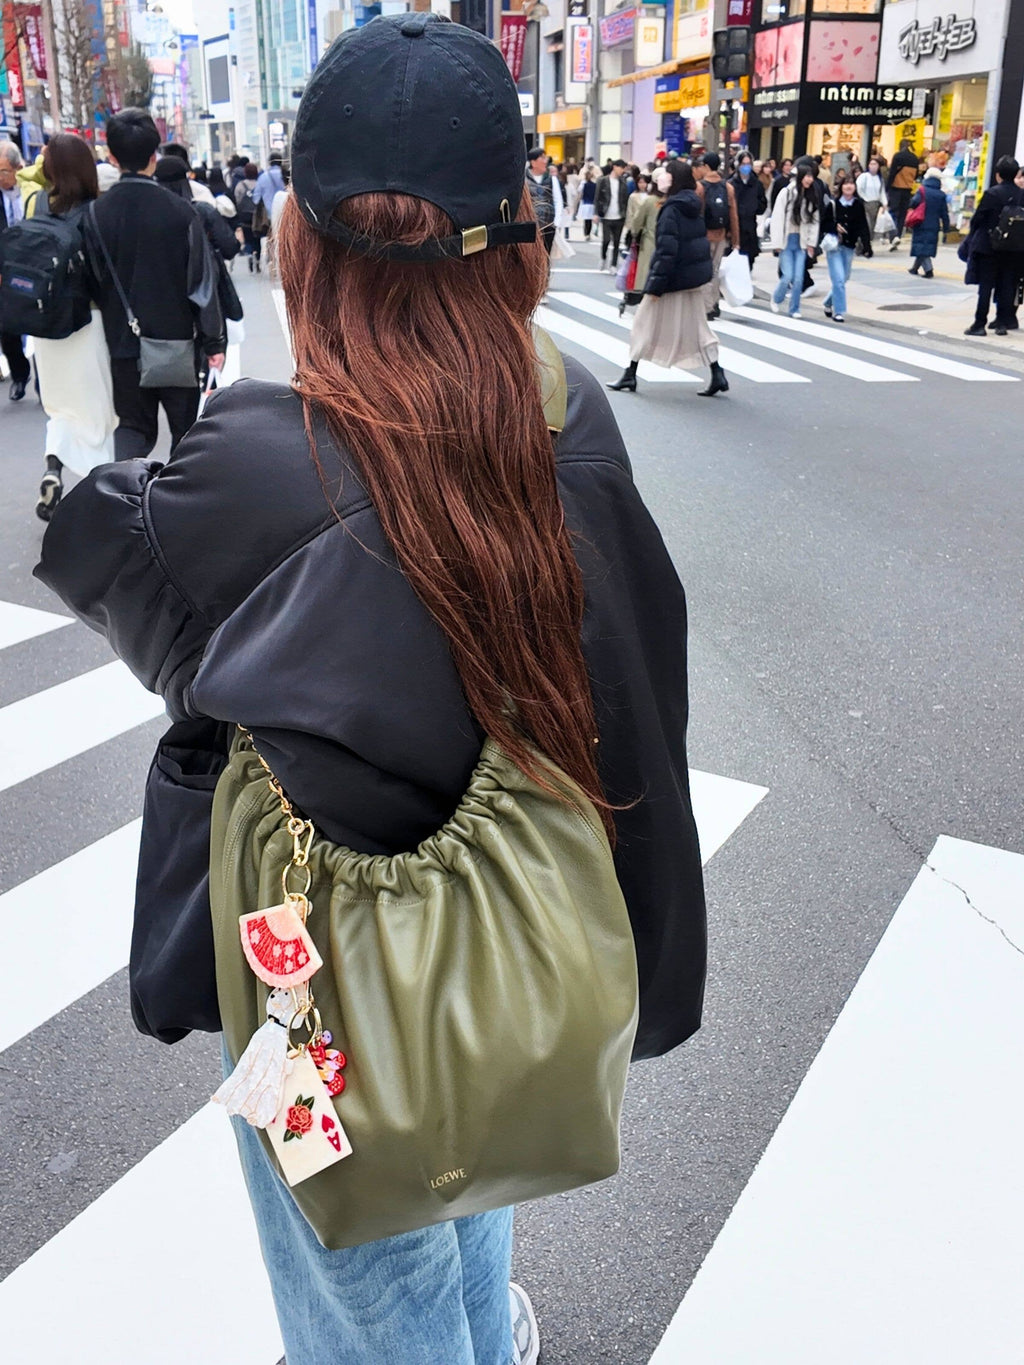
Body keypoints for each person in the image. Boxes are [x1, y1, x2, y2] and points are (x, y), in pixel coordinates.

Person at [35, 16, 706, 1365]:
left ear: (302, 239)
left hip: (310, 986)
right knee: (460, 1162)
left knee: (351, 1287)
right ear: (517, 232)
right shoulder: (569, 412)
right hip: (508, 946)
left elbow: (93, 545)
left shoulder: (261, 468)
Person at [84, 108, 225, 459]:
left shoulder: (94, 215)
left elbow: (93, 280)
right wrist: (213, 341)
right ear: (154, 155)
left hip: (123, 345)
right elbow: (201, 284)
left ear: (112, 157)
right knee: (186, 434)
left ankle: (126, 504)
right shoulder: (181, 212)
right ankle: (179, 507)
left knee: (132, 430)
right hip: (177, 344)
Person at [27, 133, 117, 521]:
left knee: (60, 408)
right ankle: (100, 492)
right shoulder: (95, 212)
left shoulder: (36, 204)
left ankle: (53, 469)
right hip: (87, 324)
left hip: (45, 327)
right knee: (98, 412)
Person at [608, 160, 727, 398]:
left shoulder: (672, 208)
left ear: (675, 180)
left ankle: (630, 373)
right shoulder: (691, 204)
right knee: (697, 328)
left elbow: (666, 250)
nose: (660, 179)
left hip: (671, 281)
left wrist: (655, 285)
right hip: (689, 280)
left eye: (666, 175)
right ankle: (717, 372)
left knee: (643, 323)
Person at [964, 155, 1024, 337]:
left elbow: (978, 220)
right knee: (1006, 285)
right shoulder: (1022, 195)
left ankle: (979, 324)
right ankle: (1001, 324)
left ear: (998, 175)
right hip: (1013, 248)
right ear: (1015, 174)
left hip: (989, 247)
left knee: (986, 286)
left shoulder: (992, 194)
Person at [0, 140, 32, 400]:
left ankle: (47, 385)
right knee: (7, 327)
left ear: (18, 167)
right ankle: (20, 375)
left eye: (3, 171)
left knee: (44, 324)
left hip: (37, 266)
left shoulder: (34, 189)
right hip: (5, 269)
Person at [769, 166, 820, 319]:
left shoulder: (811, 195)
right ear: (800, 176)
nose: (809, 179)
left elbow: (814, 222)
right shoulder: (787, 192)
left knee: (798, 278)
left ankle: (794, 309)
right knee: (787, 276)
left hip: (801, 242)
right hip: (786, 241)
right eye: (807, 176)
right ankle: (776, 298)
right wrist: (776, 243)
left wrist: (811, 243)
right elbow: (777, 218)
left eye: (812, 177)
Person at [694, 151, 739, 319]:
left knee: (704, 270)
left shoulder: (699, 187)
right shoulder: (727, 187)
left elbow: (696, 213)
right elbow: (733, 215)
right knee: (715, 269)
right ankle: (714, 303)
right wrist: (735, 239)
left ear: (706, 166)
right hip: (721, 235)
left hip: (703, 235)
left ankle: (706, 307)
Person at [823, 178, 870, 325]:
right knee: (838, 279)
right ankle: (839, 311)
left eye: (851, 184)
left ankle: (828, 301)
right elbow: (823, 223)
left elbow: (863, 225)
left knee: (844, 278)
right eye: (846, 184)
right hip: (834, 247)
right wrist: (834, 227)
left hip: (849, 246)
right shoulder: (833, 204)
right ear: (841, 187)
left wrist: (867, 246)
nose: (849, 186)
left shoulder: (858, 204)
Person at [907, 167, 949, 279]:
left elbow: (914, 203)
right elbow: (944, 213)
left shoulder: (922, 190)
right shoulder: (941, 195)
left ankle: (929, 270)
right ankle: (914, 268)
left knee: (922, 247)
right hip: (934, 225)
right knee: (925, 246)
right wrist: (946, 228)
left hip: (920, 222)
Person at [729, 151, 767, 265]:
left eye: (748, 164)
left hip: (750, 227)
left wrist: (754, 207)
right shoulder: (731, 184)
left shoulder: (757, 184)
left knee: (749, 260)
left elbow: (762, 204)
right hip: (736, 228)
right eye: (743, 164)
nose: (746, 167)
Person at [525, 148, 563, 255]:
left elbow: (558, 200)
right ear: (533, 162)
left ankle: (545, 272)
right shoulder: (524, 179)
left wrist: (557, 222)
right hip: (530, 224)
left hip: (548, 224)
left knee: (546, 256)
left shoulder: (552, 179)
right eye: (542, 157)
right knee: (531, 255)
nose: (545, 160)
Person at [595, 159, 629, 272]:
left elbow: (625, 199)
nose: (622, 171)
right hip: (606, 215)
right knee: (606, 240)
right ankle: (603, 258)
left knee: (617, 242)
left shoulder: (623, 181)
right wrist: (596, 213)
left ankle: (614, 264)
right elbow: (597, 197)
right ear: (615, 167)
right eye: (621, 168)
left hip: (619, 215)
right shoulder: (603, 181)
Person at [886, 139, 920, 250]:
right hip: (907, 189)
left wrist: (887, 187)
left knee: (893, 212)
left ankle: (893, 235)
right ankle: (898, 235)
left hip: (896, 188)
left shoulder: (898, 156)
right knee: (902, 214)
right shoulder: (915, 159)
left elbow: (892, 173)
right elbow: (915, 176)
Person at [855, 157, 886, 249]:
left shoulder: (879, 179)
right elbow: (858, 188)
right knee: (866, 225)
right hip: (865, 204)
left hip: (875, 204)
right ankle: (861, 245)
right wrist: (864, 198)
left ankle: (865, 243)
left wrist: (884, 203)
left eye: (875, 164)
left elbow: (882, 192)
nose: (873, 166)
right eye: (871, 164)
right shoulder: (864, 176)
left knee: (872, 226)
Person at [235, 161, 261, 269]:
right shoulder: (259, 184)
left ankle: (249, 254)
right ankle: (258, 259)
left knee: (248, 238)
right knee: (257, 238)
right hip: (257, 215)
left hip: (245, 216)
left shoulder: (240, 185)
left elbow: (237, 199)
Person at [577, 164, 597, 239]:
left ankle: (586, 233)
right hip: (592, 204)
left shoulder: (584, 184)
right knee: (590, 220)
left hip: (585, 203)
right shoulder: (594, 185)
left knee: (586, 220)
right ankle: (588, 233)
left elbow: (579, 192)